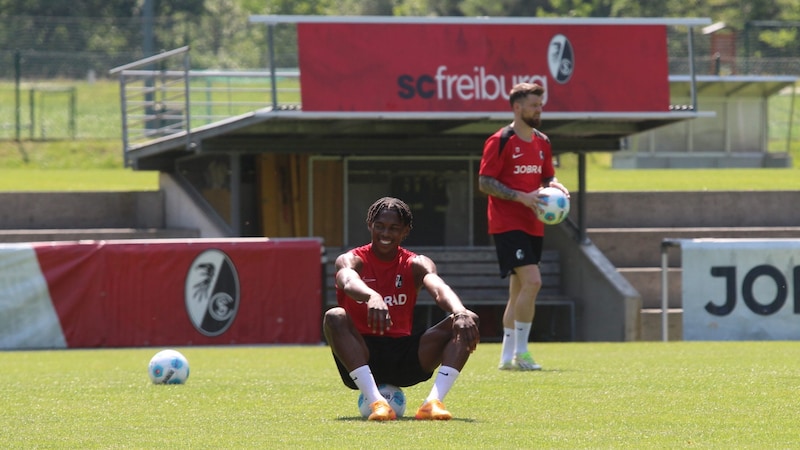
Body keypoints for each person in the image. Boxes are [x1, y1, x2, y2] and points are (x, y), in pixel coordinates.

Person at [323, 197, 480, 421]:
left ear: (405, 231)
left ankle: (432, 403)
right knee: (334, 316)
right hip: (360, 354)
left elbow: (438, 287)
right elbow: (347, 281)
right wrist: (371, 296)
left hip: (405, 357)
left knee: (467, 319)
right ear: (370, 225)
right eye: (380, 226)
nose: (385, 234)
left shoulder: (416, 263)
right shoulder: (351, 259)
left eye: (394, 228)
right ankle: (377, 403)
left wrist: (460, 311)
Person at [478, 82, 570, 371]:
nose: (538, 109)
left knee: (518, 291)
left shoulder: (542, 141)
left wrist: (555, 186)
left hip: (534, 224)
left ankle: (506, 358)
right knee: (533, 281)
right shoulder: (500, 140)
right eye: (533, 105)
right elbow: (485, 182)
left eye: (540, 105)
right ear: (517, 107)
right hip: (507, 224)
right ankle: (522, 353)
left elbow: (546, 178)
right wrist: (521, 197)